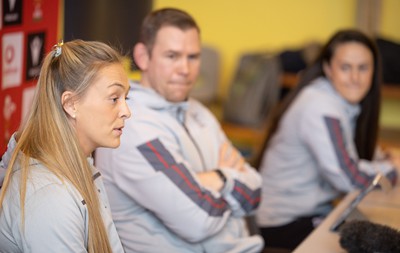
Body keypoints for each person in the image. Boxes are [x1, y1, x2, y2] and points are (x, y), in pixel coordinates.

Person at [94, 8, 263, 253]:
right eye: (172, 56)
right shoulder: (131, 127)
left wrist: (214, 180)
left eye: (193, 57)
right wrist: (228, 176)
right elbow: (199, 222)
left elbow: (255, 194)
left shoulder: (199, 112)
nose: (185, 68)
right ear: (142, 57)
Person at [255, 29, 400, 251]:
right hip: (283, 223)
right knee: (376, 242)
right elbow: (348, 178)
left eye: (363, 68)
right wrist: (393, 170)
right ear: (328, 69)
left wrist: (384, 157)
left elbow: (348, 150)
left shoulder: (336, 101)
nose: (355, 77)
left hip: (308, 213)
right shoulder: (321, 107)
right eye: (345, 67)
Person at [0, 39, 131, 252]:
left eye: (127, 97)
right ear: (71, 104)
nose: (127, 111)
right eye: (114, 98)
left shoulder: (79, 165)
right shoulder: (50, 197)